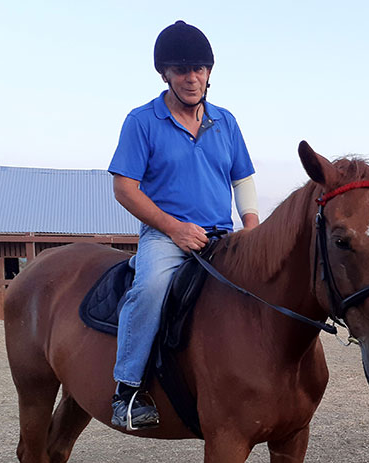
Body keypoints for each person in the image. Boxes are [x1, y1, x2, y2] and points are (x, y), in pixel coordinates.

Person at [108, 20, 259, 430]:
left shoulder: (225, 122)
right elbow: (125, 188)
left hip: (223, 235)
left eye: (199, 69)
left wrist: (250, 225)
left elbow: (242, 179)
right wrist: (173, 228)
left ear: (209, 72)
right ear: (165, 74)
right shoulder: (142, 121)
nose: (191, 78)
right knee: (152, 286)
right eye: (181, 70)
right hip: (166, 236)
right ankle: (127, 390)